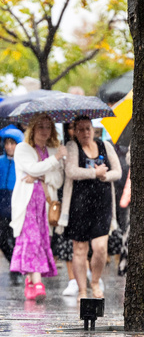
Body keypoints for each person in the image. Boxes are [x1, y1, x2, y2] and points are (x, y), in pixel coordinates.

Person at [58, 116, 121, 300]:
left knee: (100, 247)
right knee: (79, 249)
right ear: (75, 131)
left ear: (93, 130)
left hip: (102, 205)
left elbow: (117, 172)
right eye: (81, 129)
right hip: (79, 205)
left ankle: (95, 281)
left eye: (88, 129)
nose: (85, 133)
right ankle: (82, 290)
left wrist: (104, 176)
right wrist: (94, 172)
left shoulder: (105, 146)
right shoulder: (72, 147)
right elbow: (71, 171)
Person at [10, 113, 66, 301]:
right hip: (26, 202)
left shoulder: (51, 150)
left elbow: (57, 180)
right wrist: (55, 158)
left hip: (45, 202)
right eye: (40, 126)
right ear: (32, 128)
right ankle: (38, 280)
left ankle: (30, 280)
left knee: (41, 240)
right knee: (31, 238)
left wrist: (42, 176)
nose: (44, 131)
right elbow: (32, 168)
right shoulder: (22, 148)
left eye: (48, 127)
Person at [0, 126, 24, 284]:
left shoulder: (22, 163)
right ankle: (13, 262)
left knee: (17, 238)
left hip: (17, 203)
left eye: (13, 143)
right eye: (7, 143)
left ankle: (17, 266)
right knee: (1, 239)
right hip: (1, 203)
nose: (9, 147)